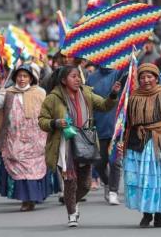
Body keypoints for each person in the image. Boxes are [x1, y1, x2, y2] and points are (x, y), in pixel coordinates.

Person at [38, 65, 120, 227]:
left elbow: (104, 105)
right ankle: (72, 214)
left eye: (78, 76)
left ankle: (72, 203)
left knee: (85, 184)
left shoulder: (87, 93)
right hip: (64, 145)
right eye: (73, 76)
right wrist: (55, 122)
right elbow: (42, 121)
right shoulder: (53, 98)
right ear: (63, 80)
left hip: (85, 142)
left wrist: (113, 94)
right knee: (70, 181)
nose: (78, 79)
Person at [118, 63, 161, 228]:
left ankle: (158, 216)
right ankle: (146, 214)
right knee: (144, 180)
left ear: (156, 78)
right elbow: (125, 122)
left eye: (150, 77)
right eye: (142, 77)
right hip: (140, 144)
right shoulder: (133, 97)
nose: (146, 80)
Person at [0, 63, 50, 211]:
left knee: (34, 168)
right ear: (15, 77)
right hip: (14, 139)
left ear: (31, 78)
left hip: (36, 139)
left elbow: (48, 111)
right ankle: (25, 199)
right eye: (19, 76)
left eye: (25, 76)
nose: (22, 79)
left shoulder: (40, 92)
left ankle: (33, 198)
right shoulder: (7, 92)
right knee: (19, 168)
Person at [86, 67, 125, 205]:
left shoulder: (119, 73)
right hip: (99, 126)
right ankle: (107, 183)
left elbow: (130, 73)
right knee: (99, 163)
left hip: (116, 126)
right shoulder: (91, 77)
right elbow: (87, 100)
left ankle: (113, 191)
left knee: (115, 161)